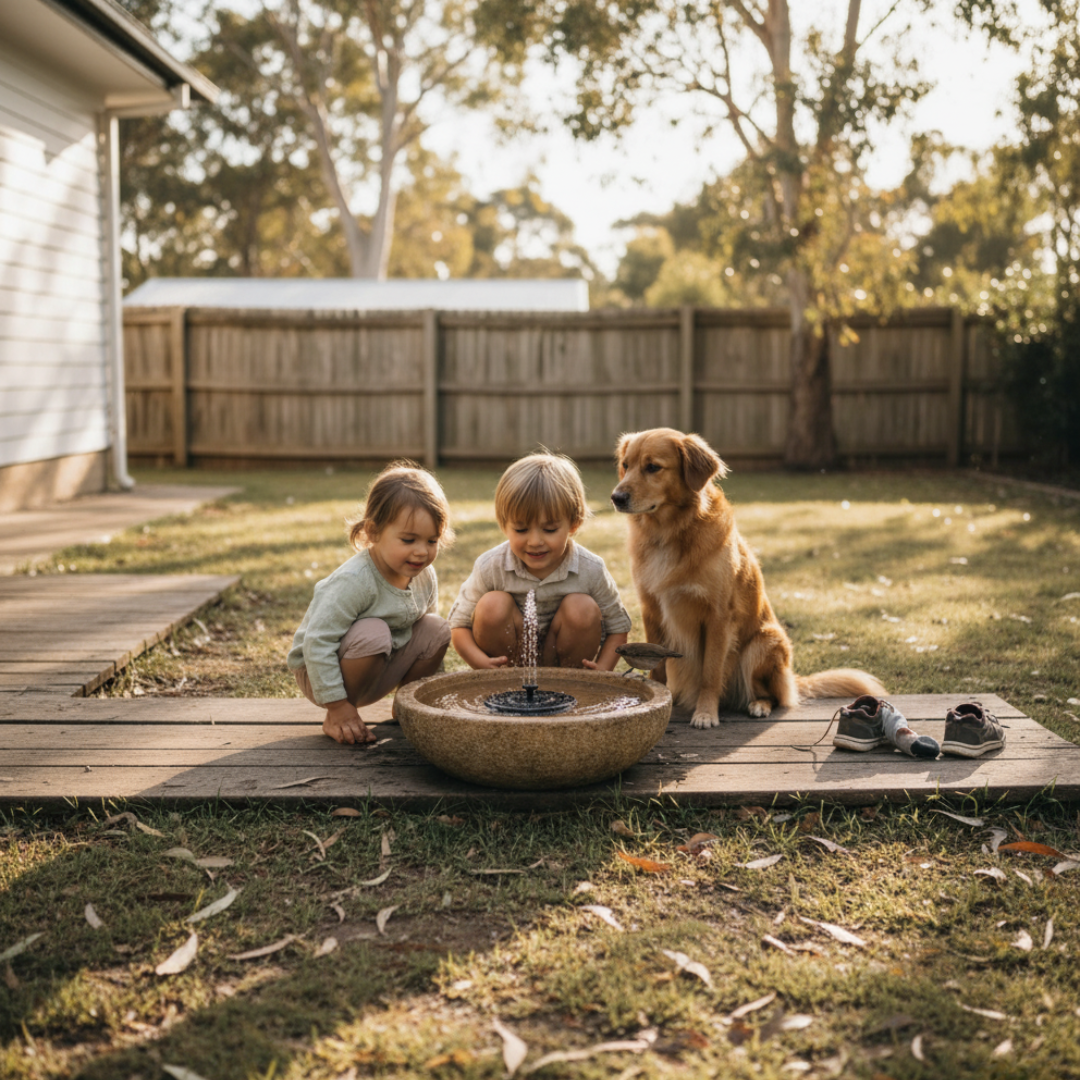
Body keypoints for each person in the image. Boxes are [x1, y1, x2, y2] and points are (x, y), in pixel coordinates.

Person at [288, 462, 453, 745]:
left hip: (381, 661)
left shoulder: (424, 575)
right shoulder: (354, 581)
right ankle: (340, 716)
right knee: (374, 632)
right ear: (373, 532)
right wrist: (337, 704)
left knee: (437, 627)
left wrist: (431, 691)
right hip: (321, 672)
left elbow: (426, 641)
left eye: (432, 540)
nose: (422, 551)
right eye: (409, 539)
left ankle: (408, 707)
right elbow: (316, 643)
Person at [449, 452, 631, 672]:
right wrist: (481, 663)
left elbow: (618, 628)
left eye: (550, 529)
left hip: (566, 663)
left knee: (581, 608)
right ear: (504, 525)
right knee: (491, 605)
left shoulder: (590, 568)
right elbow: (458, 625)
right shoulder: (490, 566)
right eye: (521, 529)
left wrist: (603, 669)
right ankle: (508, 682)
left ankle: (568, 683)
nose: (535, 541)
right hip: (510, 663)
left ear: (574, 523)